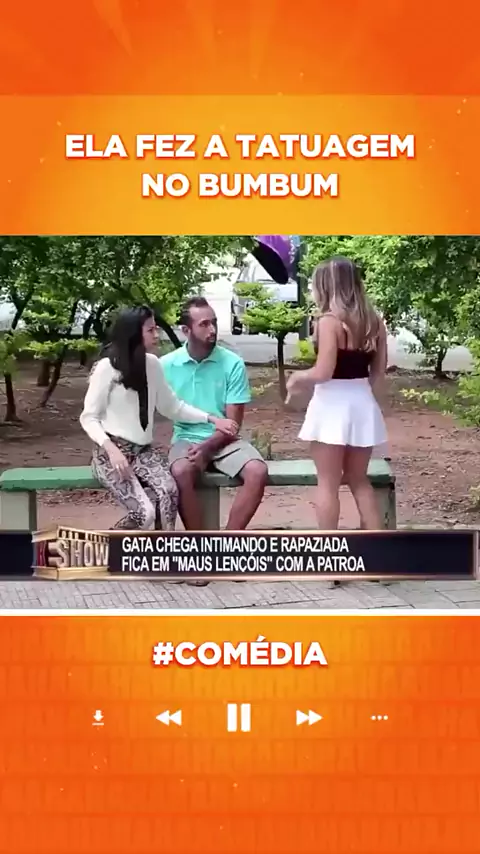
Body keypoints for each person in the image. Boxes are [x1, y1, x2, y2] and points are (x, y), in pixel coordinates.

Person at [79, 306, 238, 531]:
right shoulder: (107, 368)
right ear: (134, 333)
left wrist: (212, 419)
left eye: (156, 329)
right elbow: (89, 418)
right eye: (150, 330)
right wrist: (111, 449)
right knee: (145, 514)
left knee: (169, 494)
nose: (157, 335)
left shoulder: (152, 364)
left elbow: (172, 406)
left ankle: (162, 549)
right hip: (111, 454)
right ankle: (109, 544)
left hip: (142, 451)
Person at [286, 256, 388, 531]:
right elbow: (379, 372)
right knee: (359, 479)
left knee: (327, 483)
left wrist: (297, 378)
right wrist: (362, 393)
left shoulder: (328, 322)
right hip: (362, 402)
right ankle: (377, 548)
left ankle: (329, 551)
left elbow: (323, 371)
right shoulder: (375, 322)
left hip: (331, 405)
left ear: (327, 286)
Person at [160, 297, 268, 531]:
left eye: (214, 322)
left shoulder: (232, 363)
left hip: (224, 440)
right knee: (180, 471)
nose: (212, 330)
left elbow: (233, 424)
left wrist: (207, 448)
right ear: (186, 330)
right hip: (186, 438)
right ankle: (200, 544)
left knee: (257, 470)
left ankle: (227, 542)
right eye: (204, 324)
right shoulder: (166, 365)